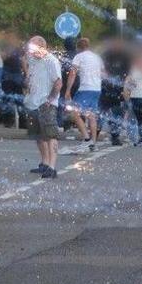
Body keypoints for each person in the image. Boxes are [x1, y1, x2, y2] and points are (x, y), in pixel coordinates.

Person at [24, 36, 62, 178]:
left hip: (46, 103)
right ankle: (44, 163)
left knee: (50, 134)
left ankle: (52, 167)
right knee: (38, 136)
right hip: (32, 102)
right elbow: (30, 77)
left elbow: (58, 83)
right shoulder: (32, 60)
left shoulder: (51, 61)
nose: (30, 51)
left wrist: (50, 99)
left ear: (42, 46)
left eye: (32, 48)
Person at [70, 37, 103, 150]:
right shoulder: (97, 57)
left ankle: (87, 139)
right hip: (96, 88)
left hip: (85, 88)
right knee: (91, 116)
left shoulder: (78, 57)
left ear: (78, 47)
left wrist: (68, 89)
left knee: (74, 112)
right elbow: (102, 73)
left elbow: (72, 73)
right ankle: (93, 143)